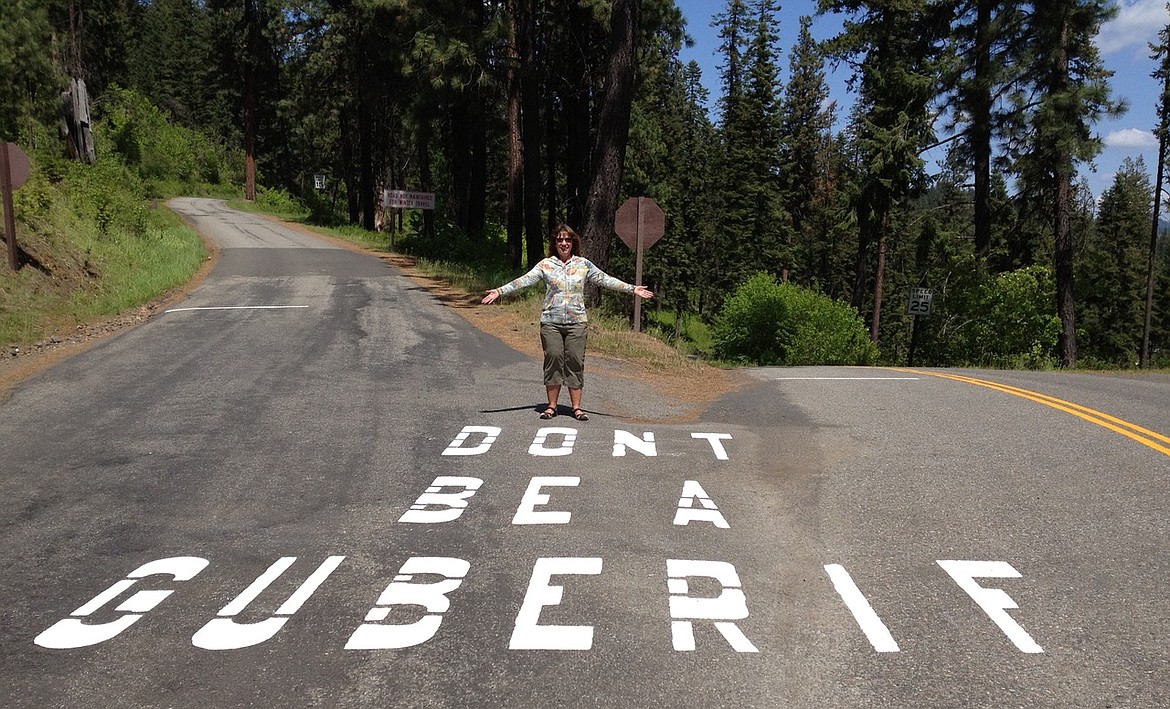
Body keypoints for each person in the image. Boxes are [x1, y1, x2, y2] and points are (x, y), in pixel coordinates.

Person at [481, 224, 653, 421]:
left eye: (568, 240)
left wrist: (632, 289)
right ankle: (551, 406)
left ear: (573, 243)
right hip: (551, 322)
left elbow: (606, 280)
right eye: (560, 240)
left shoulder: (583, 264)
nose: (564, 243)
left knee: (575, 361)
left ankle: (576, 408)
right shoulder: (546, 265)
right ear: (555, 243)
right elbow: (524, 280)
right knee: (553, 358)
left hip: (577, 323)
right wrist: (500, 291)